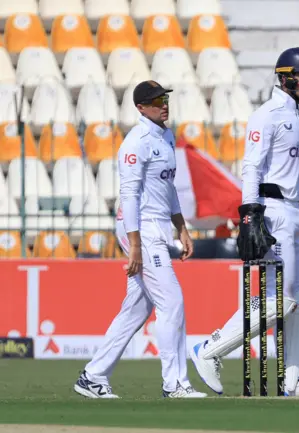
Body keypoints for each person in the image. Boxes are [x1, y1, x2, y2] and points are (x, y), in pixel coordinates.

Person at [189, 47, 299, 397]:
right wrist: (250, 215)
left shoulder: (297, 115)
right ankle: (209, 350)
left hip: (292, 209)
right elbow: (252, 167)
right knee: (284, 300)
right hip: (271, 209)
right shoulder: (266, 115)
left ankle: (293, 380)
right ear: (285, 78)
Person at [73, 80, 207, 399]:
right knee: (171, 301)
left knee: (136, 309)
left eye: (165, 98)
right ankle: (174, 384)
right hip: (141, 229)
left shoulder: (165, 135)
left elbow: (168, 188)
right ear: (140, 108)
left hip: (158, 226)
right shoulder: (136, 143)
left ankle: (92, 376)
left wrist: (182, 228)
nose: (164, 104)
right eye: (156, 100)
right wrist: (134, 245)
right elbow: (129, 195)